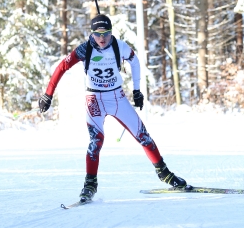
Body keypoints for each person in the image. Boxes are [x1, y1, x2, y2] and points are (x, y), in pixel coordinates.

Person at [39, 14, 187, 203]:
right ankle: (90, 184)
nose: (102, 39)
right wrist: (48, 94)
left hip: (117, 98)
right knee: (96, 142)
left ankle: (165, 174)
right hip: (94, 99)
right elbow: (62, 66)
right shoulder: (85, 49)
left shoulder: (119, 46)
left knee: (144, 136)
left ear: (111, 33)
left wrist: (136, 91)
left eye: (106, 34)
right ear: (92, 34)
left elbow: (134, 62)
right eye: (98, 34)